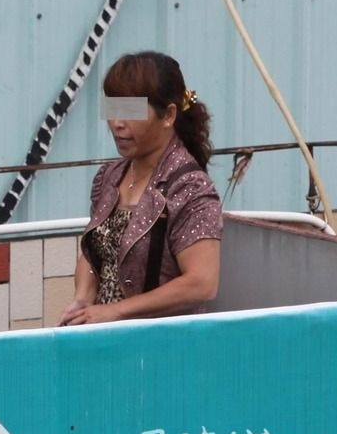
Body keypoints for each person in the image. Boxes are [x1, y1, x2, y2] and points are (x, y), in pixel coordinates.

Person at [58, 51, 222, 326]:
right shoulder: (109, 176)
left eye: (131, 111)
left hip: (163, 340)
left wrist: (118, 311)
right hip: (105, 335)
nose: (117, 123)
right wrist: (83, 298)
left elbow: (202, 283)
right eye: (113, 109)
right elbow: (96, 251)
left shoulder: (190, 187)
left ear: (168, 115)